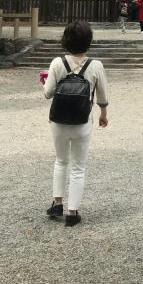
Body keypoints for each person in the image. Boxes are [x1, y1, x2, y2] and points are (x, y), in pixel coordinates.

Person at [42, 20, 109, 227]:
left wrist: (44, 81)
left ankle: (57, 203)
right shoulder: (95, 65)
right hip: (82, 122)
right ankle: (72, 212)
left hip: (59, 121)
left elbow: (48, 93)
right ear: (88, 41)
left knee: (61, 161)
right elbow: (102, 95)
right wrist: (103, 113)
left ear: (65, 41)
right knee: (78, 167)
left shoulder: (56, 63)